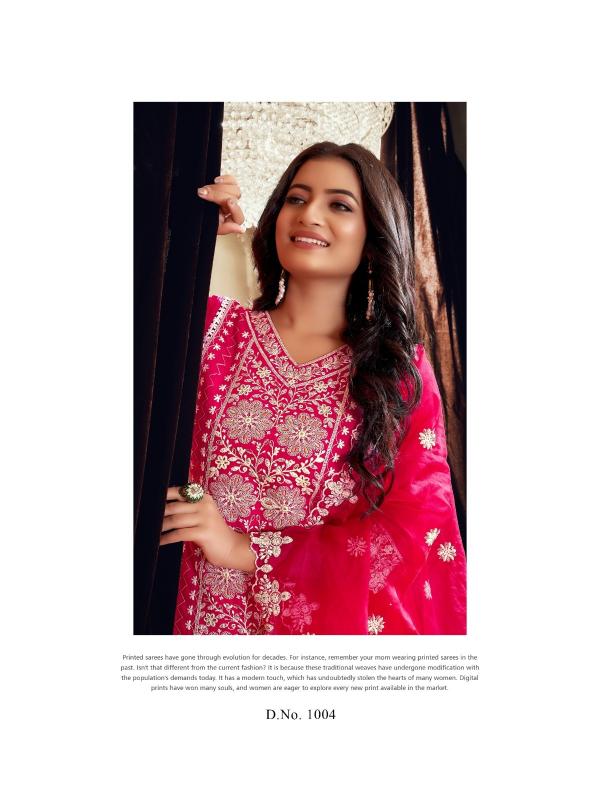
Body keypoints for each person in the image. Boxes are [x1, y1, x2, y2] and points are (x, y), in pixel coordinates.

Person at [160, 142, 466, 635]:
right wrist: (183, 244)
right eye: (297, 199)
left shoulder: (395, 373)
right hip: (174, 625)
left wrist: (241, 549)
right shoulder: (211, 328)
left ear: (373, 236)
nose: (309, 215)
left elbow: (412, 529)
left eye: (339, 205)